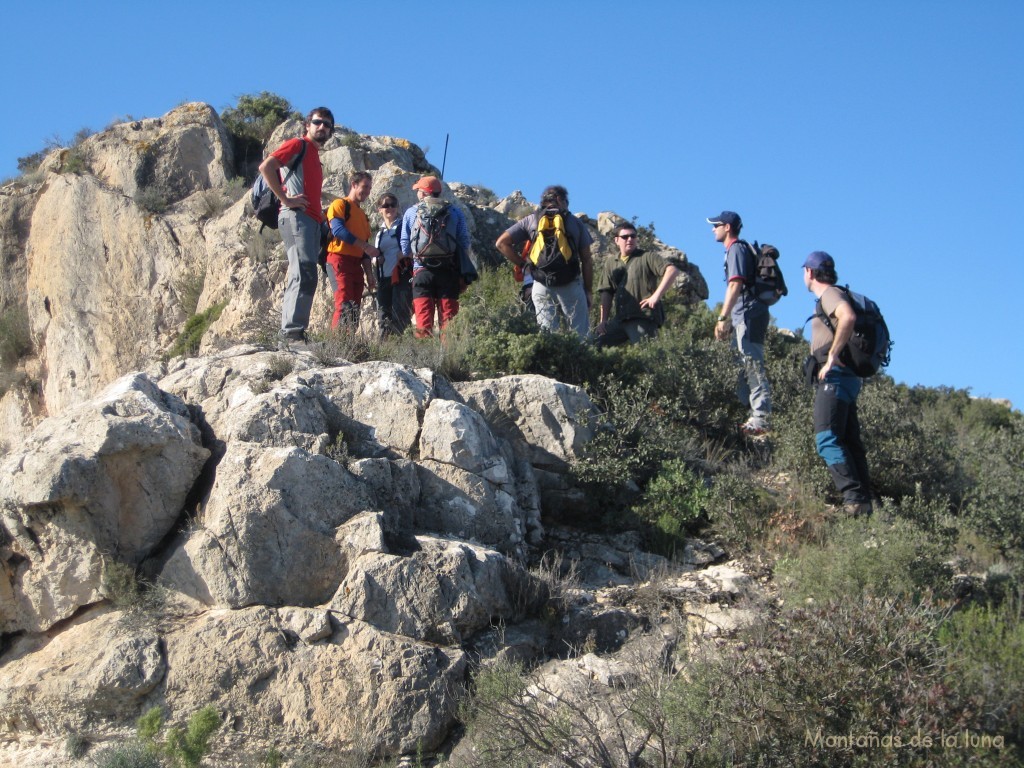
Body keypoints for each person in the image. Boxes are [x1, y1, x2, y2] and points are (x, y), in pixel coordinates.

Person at [803, 251, 874, 517]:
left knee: (827, 438)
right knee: (849, 440)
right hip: (848, 379)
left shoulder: (831, 294)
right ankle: (864, 503)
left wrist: (832, 356)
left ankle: (853, 500)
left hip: (836, 377)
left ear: (809, 272)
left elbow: (847, 317)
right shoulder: (834, 293)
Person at [258, 107, 335, 347]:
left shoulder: (314, 156)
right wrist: (286, 199)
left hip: (310, 222)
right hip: (295, 217)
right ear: (307, 125)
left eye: (327, 125)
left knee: (306, 274)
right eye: (318, 122)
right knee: (303, 272)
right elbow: (266, 166)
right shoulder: (297, 145)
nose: (322, 127)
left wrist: (322, 221)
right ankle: (292, 335)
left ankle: (295, 333)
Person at [495, 185, 593, 338]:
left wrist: (524, 265)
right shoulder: (575, 222)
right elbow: (587, 260)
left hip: (541, 285)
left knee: (548, 336)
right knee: (581, 336)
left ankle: (550, 361)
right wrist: (588, 290)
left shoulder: (531, 220)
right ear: (561, 200)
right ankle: (582, 362)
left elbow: (501, 243)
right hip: (570, 284)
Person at [709, 211, 772, 436]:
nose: (712, 229)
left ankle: (761, 419)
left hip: (748, 315)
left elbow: (735, 285)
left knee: (752, 365)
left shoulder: (735, 249)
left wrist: (722, 318)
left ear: (727, 227)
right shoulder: (736, 249)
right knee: (739, 367)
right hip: (745, 315)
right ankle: (752, 414)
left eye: (716, 225)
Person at [399, 176, 475, 338]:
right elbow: (464, 242)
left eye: (419, 190)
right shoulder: (454, 211)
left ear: (424, 193)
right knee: (449, 320)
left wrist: (414, 260)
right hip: (448, 272)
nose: (417, 193)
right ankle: (449, 356)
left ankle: (424, 356)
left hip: (421, 271)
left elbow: (405, 245)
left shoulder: (412, 212)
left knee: (423, 319)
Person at [594, 222, 683, 347]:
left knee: (646, 357)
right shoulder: (611, 263)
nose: (629, 239)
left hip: (642, 316)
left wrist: (655, 297)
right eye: (625, 237)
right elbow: (606, 293)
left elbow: (672, 270)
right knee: (594, 343)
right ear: (616, 240)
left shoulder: (647, 257)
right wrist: (603, 321)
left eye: (633, 236)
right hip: (620, 319)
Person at [325, 171, 379, 331]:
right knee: (344, 303)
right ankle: (336, 345)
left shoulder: (363, 216)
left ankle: (349, 345)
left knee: (354, 307)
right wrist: (365, 246)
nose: (367, 191)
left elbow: (364, 252)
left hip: (356, 266)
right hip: (339, 260)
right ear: (354, 185)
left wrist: (369, 274)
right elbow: (338, 230)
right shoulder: (340, 204)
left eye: (369, 188)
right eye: (364, 187)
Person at [373, 192, 412, 336]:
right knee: (383, 316)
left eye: (393, 205)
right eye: (385, 205)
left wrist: (406, 254)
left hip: (402, 277)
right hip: (384, 278)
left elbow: (415, 248)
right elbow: (376, 254)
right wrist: (376, 259)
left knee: (400, 314)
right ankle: (384, 349)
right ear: (379, 209)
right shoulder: (380, 233)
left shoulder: (403, 227)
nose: (390, 208)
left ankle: (400, 349)